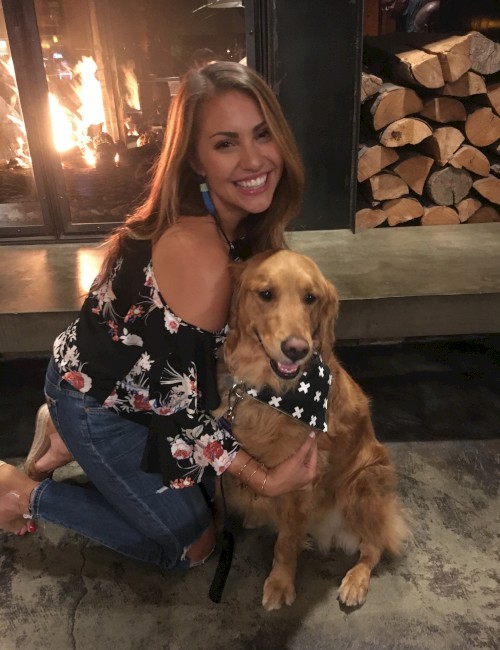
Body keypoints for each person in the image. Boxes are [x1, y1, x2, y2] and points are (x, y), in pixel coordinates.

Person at [0, 62, 318, 570]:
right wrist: (264, 478)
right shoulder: (202, 255)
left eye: (263, 134)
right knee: (192, 549)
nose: (255, 159)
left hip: (130, 383)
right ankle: (19, 492)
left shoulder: (228, 220)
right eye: (225, 143)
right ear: (195, 159)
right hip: (101, 404)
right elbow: (180, 413)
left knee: (209, 490)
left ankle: (63, 441)